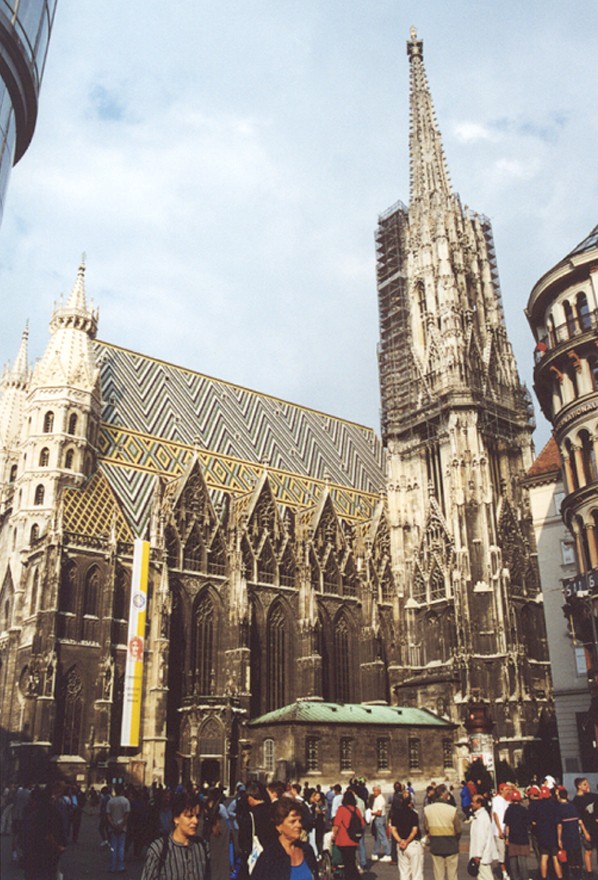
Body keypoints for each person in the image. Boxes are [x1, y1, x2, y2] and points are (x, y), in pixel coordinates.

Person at [141, 790, 208, 880]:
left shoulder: (202, 847)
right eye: (189, 816)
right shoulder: (159, 850)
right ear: (176, 818)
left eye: (197, 816)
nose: (195, 821)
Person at [252, 796, 318, 880]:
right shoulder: (270, 857)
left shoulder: (307, 850)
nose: (299, 825)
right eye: (292, 821)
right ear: (279, 826)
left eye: (299, 821)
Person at [423, 783, 462, 880]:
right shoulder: (452, 810)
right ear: (444, 795)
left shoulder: (427, 809)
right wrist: (456, 839)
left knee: (438, 874)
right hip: (451, 843)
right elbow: (458, 830)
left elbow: (426, 828)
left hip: (436, 844)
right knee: (452, 874)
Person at [529, 785, 562, 880]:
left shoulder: (537, 806)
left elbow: (533, 821)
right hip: (553, 835)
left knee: (544, 858)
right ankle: (559, 877)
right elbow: (558, 822)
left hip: (542, 836)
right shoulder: (554, 806)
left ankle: (544, 877)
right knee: (555, 858)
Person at [389, 791, 423, 880]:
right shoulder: (413, 814)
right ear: (410, 802)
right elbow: (414, 831)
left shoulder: (395, 814)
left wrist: (400, 841)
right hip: (412, 843)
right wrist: (407, 841)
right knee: (416, 873)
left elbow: (393, 830)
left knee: (404, 873)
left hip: (400, 844)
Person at [331, 789, 364, 880]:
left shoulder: (341, 809)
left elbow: (336, 825)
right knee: (351, 860)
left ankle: (351, 877)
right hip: (353, 839)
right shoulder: (356, 810)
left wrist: (333, 835)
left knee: (347, 862)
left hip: (343, 839)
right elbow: (362, 823)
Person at [557, 786, 587, 880]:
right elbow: (580, 821)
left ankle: (568, 876)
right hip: (576, 836)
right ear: (567, 796)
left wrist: (559, 839)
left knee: (567, 859)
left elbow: (559, 826)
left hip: (566, 837)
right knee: (577, 859)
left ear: (559, 796)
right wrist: (585, 833)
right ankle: (579, 876)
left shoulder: (559, 809)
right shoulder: (573, 806)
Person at [572, 777, 597, 880]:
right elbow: (579, 819)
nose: (588, 786)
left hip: (595, 827)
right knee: (588, 851)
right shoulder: (576, 801)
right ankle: (589, 872)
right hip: (586, 828)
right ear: (579, 786)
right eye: (585, 784)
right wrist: (585, 832)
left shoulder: (591, 796)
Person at [469, 794, 498, 880]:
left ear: (479, 803)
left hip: (481, 856)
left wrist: (478, 855)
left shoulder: (482, 817)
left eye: (473, 802)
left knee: (486, 877)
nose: (471, 804)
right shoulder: (478, 815)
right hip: (480, 855)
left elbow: (481, 838)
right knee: (481, 877)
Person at [504, 789, 530, 880]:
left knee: (513, 862)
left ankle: (514, 878)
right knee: (522, 862)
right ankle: (525, 878)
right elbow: (528, 825)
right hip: (523, 838)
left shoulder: (508, 810)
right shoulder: (524, 810)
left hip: (512, 838)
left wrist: (507, 838)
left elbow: (507, 826)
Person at [106, 782, 131, 873]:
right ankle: (120, 866)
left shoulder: (110, 801)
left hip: (112, 826)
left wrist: (112, 824)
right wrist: (122, 825)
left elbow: (108, 814)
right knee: (121, 847)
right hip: (122, 827)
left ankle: (113, 866)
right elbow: (126, 815)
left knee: (113, 846)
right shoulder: (126, 801)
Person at [492, 783, 511, 880]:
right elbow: (495, 814)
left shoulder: (505, 801)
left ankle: (508, 871)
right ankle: (504, 873)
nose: (508, 791)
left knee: (507, 852)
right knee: (501, 852)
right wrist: (499, 829)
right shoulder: (496, 800)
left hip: (506, 830)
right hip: (498, 831)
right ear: (501, 790)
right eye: (506, 789)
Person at [370, 784, 391, 862]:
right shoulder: (379, 798)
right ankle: (375, 852)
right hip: (380, 818)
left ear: (379, 790)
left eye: (375, 790)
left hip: (379, 818)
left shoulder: (379, 799)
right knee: (378, 837)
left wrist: (371, 813)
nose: (374, 792)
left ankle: (388, 853)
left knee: (382, 836)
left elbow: (379, 812)